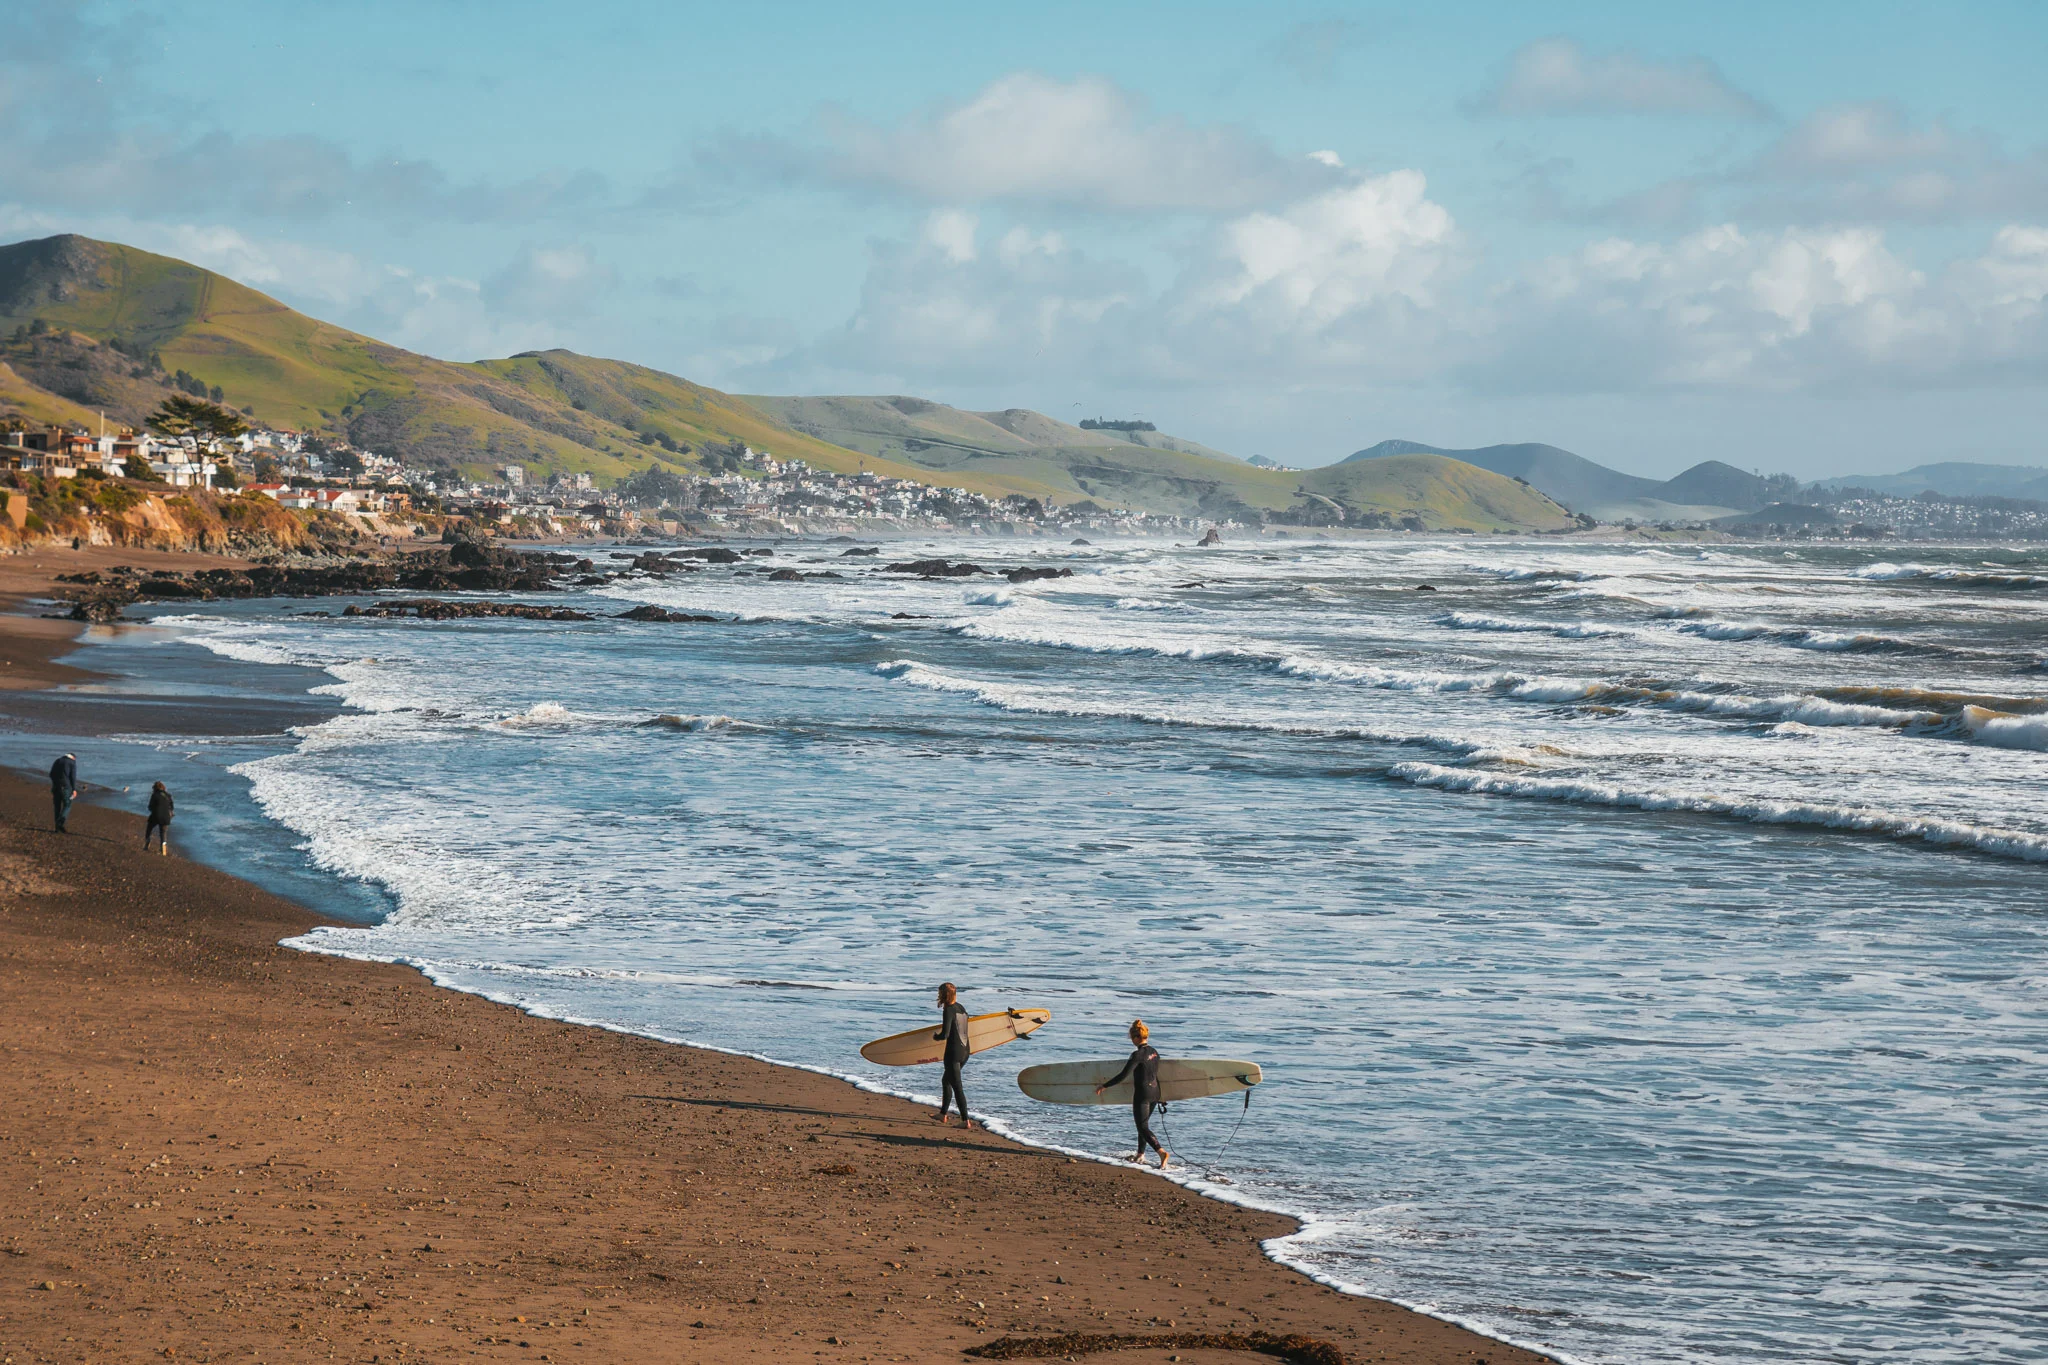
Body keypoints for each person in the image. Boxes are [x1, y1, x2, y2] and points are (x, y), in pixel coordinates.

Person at [1096, 1019, 1170, 1168]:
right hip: (1155, 1092)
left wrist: (1105, 1085)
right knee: (1143, 1125)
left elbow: (1123, 1075)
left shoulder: (1137, 1054)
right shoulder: (1154, 1052)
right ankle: (1140, 1154)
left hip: (1143, 1094)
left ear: (1136, 1037)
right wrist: (1161, 1097)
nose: (1131, 1040)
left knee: (1142, 1127)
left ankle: (1161, 1152)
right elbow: (1155, 1075)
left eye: (1131, 1038)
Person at [932, 982, 973, 1129]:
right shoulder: (961, 1007)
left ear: (944, 995)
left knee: (957, 1087)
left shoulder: (948, 1010)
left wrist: (935, 1037)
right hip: (965, 1051)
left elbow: (945, 1034)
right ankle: (943, 1114)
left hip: (953, 1053)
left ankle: (965, 1120)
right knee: (946, 1081)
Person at [48, 753, 78, 834]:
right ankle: (60, 822)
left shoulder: (58, 760)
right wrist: (74, 789)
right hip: (66, 787)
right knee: (67, 805)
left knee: (57, 806)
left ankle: (57, 828)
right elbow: (73, 777)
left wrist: (55, 783)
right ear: (73, 757)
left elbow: (51, 774)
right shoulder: (72, 762)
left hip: (56, 787)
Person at [145, 781, 174, 855]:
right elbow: (171, 807)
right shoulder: (168, 795)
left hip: (156, 815)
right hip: (166, 817)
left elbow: (150, 807)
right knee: (163, 832)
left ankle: (147, 843)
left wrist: (153, 811)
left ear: (154, 788)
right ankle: (163, 848)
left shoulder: (155, 795)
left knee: (149, 828)